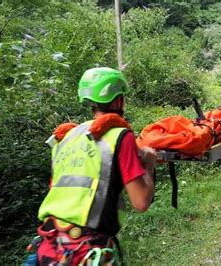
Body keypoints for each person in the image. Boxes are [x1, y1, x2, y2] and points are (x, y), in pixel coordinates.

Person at [31, 67, 156, 265]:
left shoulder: (67, 137)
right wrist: (149, 165)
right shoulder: (121, 136)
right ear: (117, 100)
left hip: (49, 247)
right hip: (85, 251)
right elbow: (140, 202)